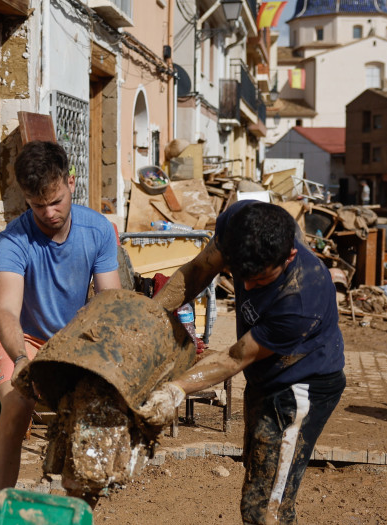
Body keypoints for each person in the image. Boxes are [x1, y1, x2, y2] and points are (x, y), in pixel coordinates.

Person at [140, 200, 346, 524]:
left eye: (260, 280)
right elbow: (198, 271)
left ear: (289, 256)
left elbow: (235, 357)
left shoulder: (302, 298)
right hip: (265, 375)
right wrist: (145, 322)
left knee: (266, 508)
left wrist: (175, 389)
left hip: (301, 385)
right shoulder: (240, 223)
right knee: (256, 472)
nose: (247, 288)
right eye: (240, 275)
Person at [0, 141, 121, 517]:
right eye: (36, 204)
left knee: (90, 421)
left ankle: (74, 514)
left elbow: (110, 304)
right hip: (24, 340)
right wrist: (21, 359)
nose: (48, 212)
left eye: (56, 200)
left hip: (76, 340)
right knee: (14, 408)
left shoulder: (99, 230)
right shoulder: (14, 239)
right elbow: (7, 312)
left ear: (71, 182)